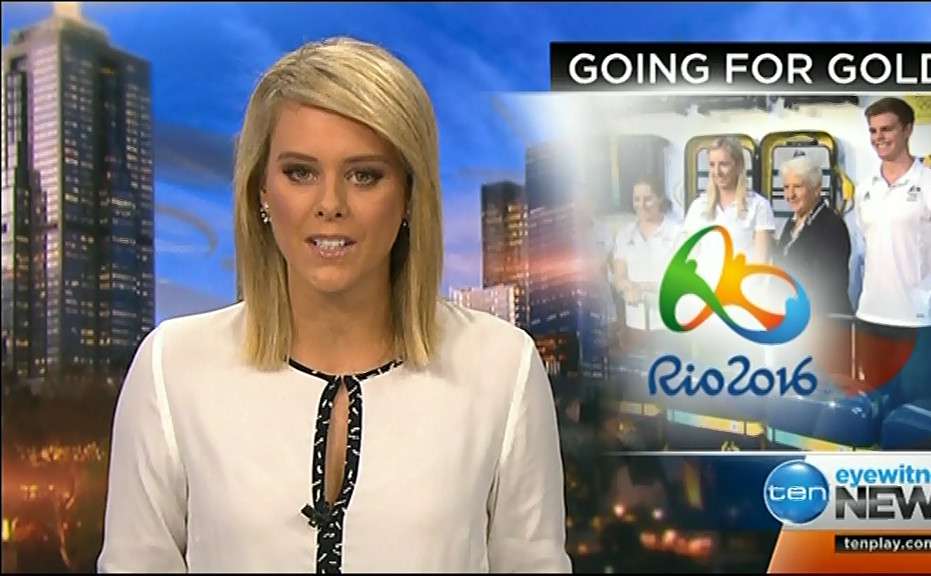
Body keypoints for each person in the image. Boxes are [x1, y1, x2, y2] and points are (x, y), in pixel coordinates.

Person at [98, 37, 572, 573]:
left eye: (364, 175)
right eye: (300, 172)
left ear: (410, 194)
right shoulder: (173, 368)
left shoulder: (501, 367)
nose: (330, 205)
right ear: (261, 190)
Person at [852, 97, 931, 405]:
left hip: (917, 327)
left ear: (908, 129)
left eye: (887, 129)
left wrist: (927, 300)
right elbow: (869, 251)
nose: (879, 137)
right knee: (874, 410)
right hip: (870, 319)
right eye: (873, 130)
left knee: (916, 415)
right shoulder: (864, 189)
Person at [774, 155, 854, 379]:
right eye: (786, 187)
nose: (790, 195)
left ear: (817, 188)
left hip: (823, 333)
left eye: (797, 187)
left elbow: (829, 286)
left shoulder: (831, 226)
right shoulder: (792, 224)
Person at [612, 178, 685, 351]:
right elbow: (619, 277)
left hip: (669, 324)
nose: (641, 205)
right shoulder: (625, 234)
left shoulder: (677, 232)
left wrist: (643, 287)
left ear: (660, 198)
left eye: (648, 199)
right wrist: (628, 287)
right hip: (635, 326)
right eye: (637, 199)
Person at [682, 137, 776, 265]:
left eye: (724, 164)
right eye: (712, 164)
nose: (717, 172)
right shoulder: (698, 206)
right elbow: (690, 257)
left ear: (738, 165)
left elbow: (761, 264)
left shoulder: (758, 205)